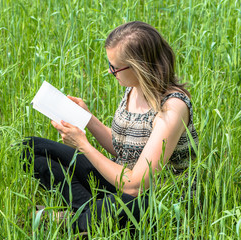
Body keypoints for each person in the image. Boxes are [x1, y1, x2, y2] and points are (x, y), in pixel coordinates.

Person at [21, 21, 198, 232]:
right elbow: (121, 148)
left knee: (123, 206)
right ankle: (89, 213)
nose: (110, 71)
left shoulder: (172, 108)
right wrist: (87, 119)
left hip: (154, 199)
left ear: (140, 67)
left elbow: (136, 185)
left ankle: (79, 218)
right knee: (31, 149)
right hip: (119, 181)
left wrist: (84, 146)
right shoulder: (133, 88)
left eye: (115, 67)